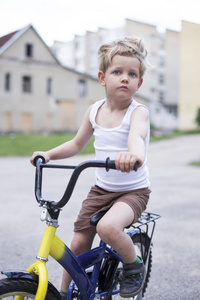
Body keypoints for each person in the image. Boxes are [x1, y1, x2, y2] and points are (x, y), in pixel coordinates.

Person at [30, 36, 151, 298]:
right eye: (117, 72)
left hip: (132, 192)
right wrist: (48, 154)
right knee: (77, 244)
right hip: (101, 190)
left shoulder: (137, 112)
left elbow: (137, 137)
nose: (124, 78)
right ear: (102, 77)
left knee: (107, 228)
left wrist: (133, 155)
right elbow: (76, 144)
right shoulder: (94, 110)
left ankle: (134, 265)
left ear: (139, 83)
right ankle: (63, 294)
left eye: (132, 74)